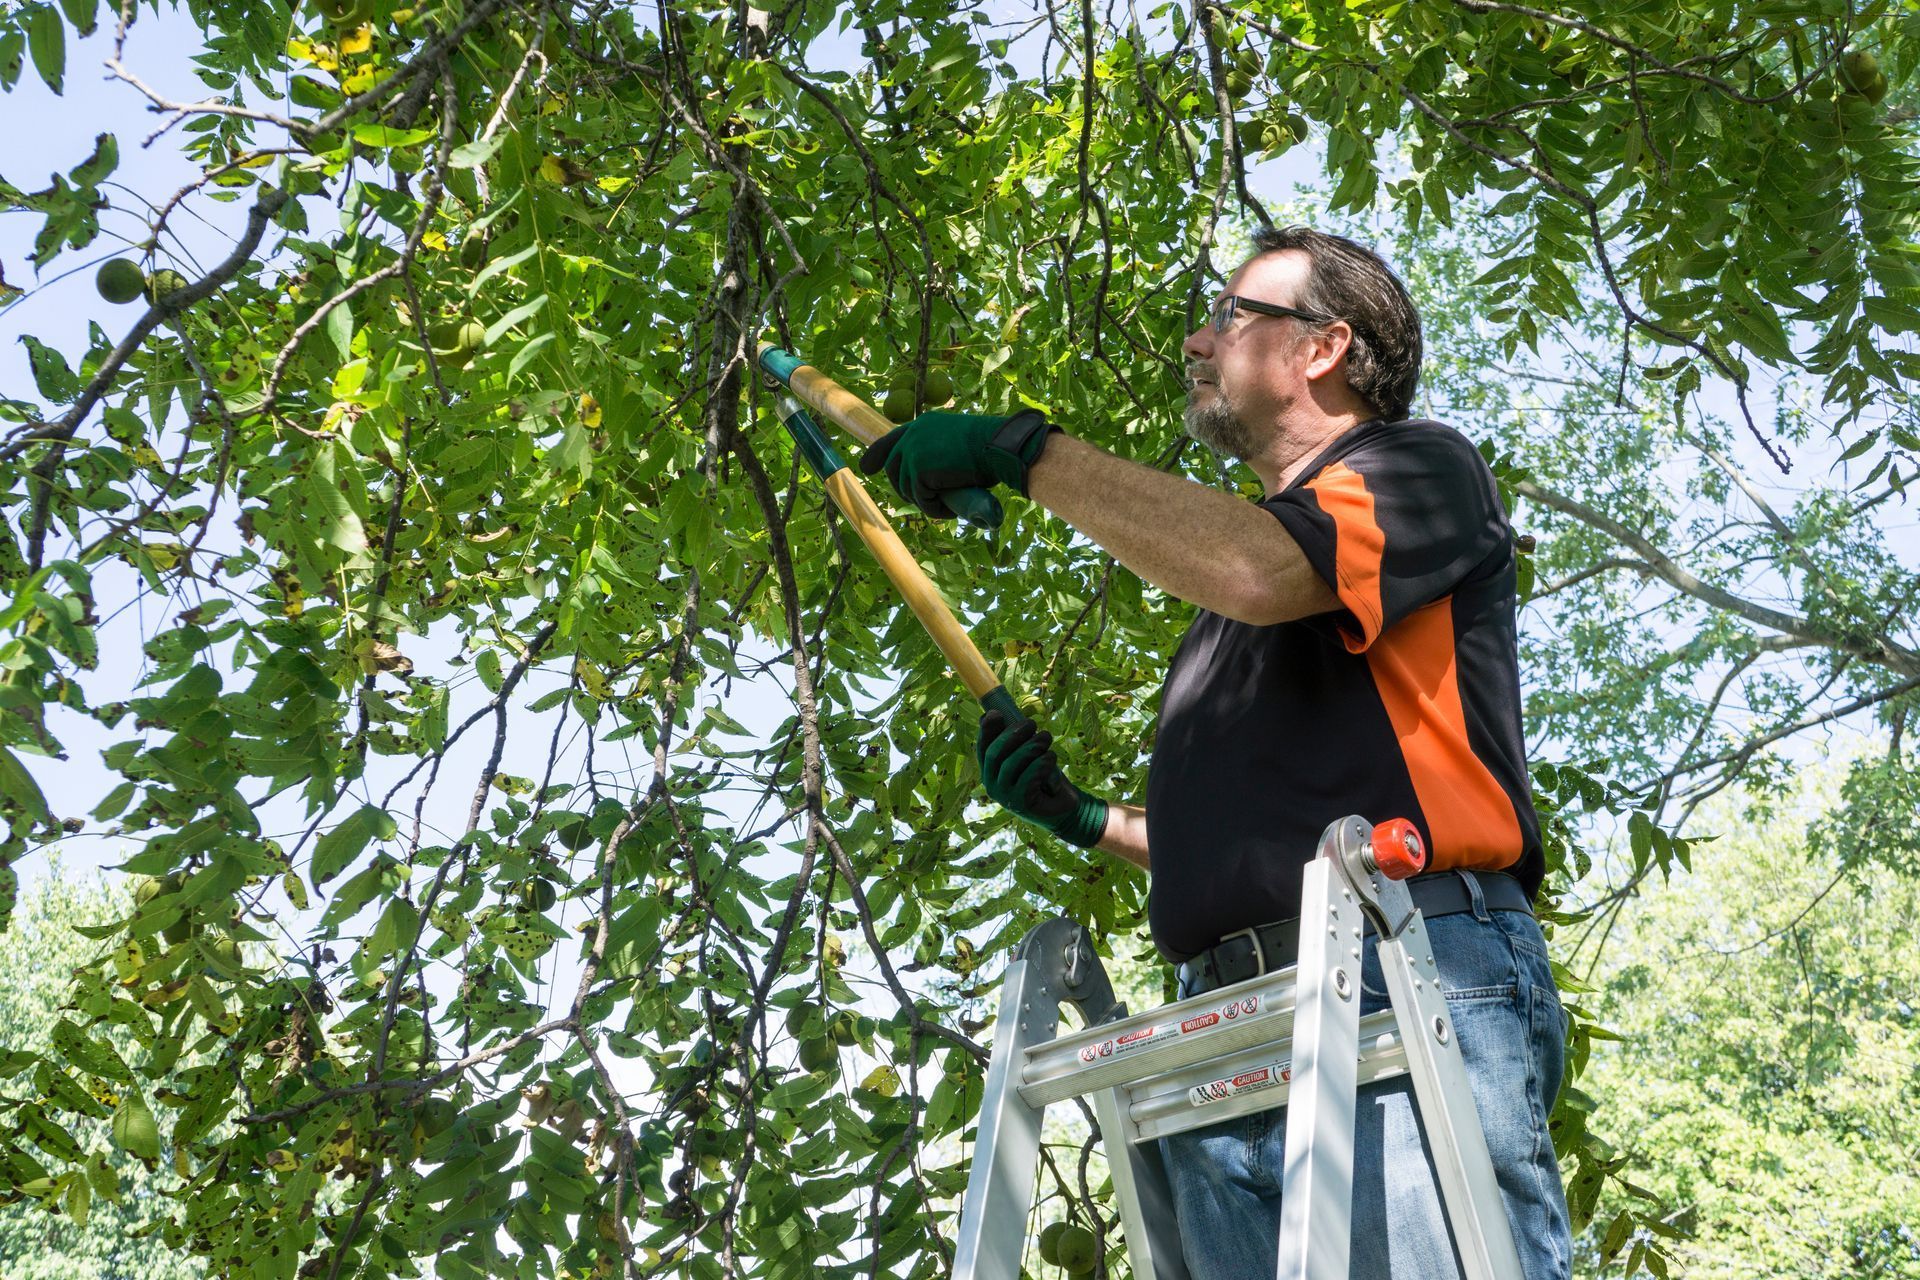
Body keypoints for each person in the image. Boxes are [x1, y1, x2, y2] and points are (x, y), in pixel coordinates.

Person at [858, 225, 1573, 1279]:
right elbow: (1268, 833)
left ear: (1321, 347)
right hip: (1229, 1017)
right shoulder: (1229, 622)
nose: (1199, 340)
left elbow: (1255, 567)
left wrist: (1025, 450)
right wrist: (1089, 819)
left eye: (1233, 316)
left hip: (1399, 969)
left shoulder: (1416, 469)